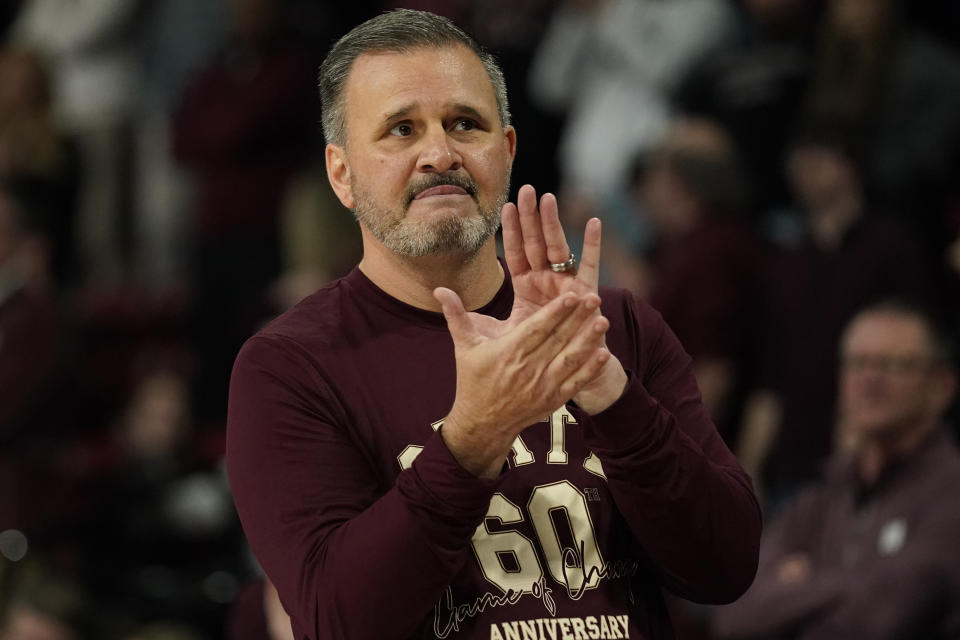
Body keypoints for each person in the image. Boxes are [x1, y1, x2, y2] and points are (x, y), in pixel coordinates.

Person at [226, 10, 761, 640]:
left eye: (465, 124)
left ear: (505, 151)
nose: (439, 153)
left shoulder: (612, 327)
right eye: (401, 129)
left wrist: (612, 397)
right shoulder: (289, 367)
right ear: (341, 174)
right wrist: (471, 441)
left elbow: (726, 569)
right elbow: (337, 619)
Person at [713, 299, 960, 639]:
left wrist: (805, 585)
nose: (871, 378)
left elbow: (884, 620)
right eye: (858, 363)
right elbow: (735, 615)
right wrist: (861, 582)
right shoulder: (823, 493)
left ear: (942, 386)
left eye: (893, 365)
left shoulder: (951, 494)